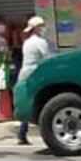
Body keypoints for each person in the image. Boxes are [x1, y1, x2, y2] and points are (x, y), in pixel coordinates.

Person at [15, 16, 51, 145]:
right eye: (42, 26)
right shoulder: (40, 42)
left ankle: (21, 133)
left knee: (28, 103)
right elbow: (48, 59)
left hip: (25, 74)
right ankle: (48, 133)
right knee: (46, 103)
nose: (44, 28)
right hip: (36, 75)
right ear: (36, 28)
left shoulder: (27, 42)